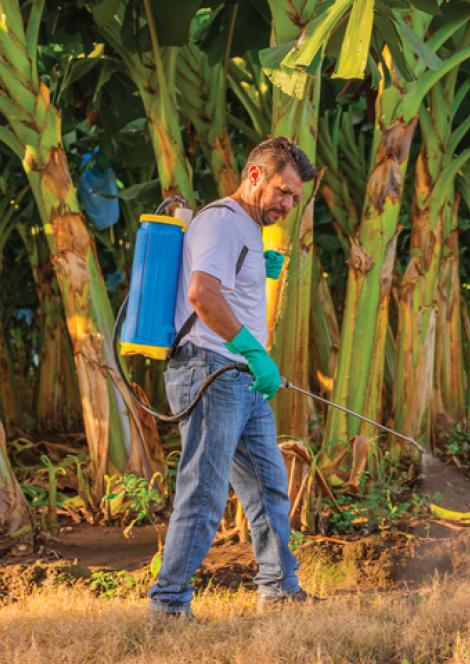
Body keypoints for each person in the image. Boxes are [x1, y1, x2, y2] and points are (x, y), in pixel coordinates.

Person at [148, 137, 317, 619]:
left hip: (239, 376)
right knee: (202, 492)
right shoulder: (223, 221)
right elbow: (202, 295)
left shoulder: (243, 229)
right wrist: (252, 352)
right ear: (255, 175)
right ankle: (168, 608)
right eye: (283, 192)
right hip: (211, 369)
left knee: (267, 486)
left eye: (294, 199)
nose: (287, 204)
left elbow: (219, 282)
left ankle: (280, 589)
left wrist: (252, 269)